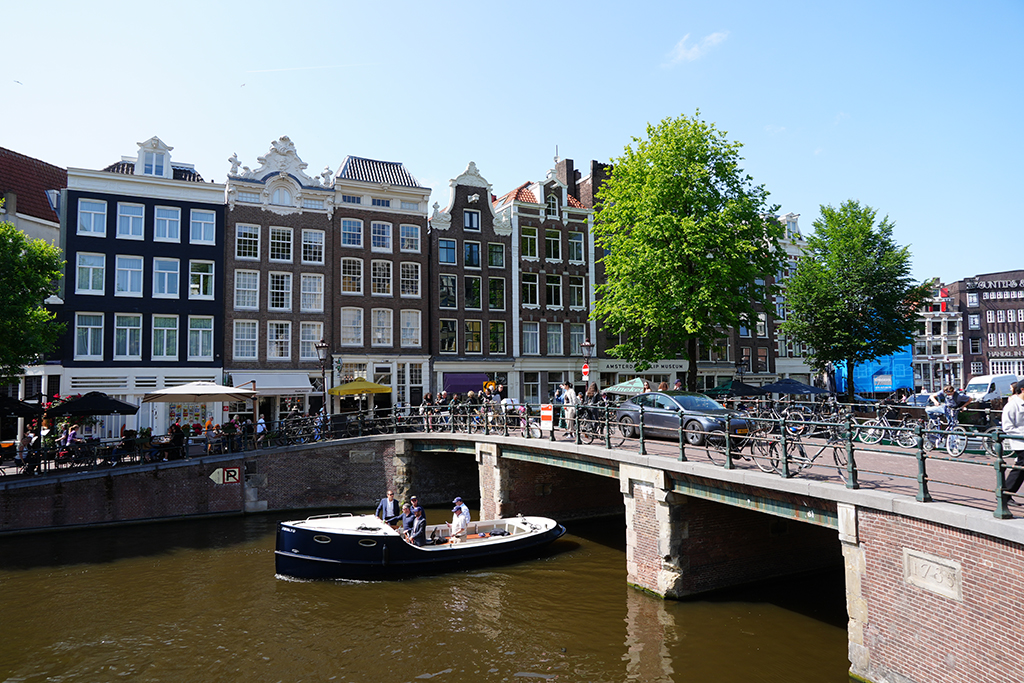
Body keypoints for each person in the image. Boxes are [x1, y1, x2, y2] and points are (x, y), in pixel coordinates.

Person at [1000, 381, 1024, 507]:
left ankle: (1006, 494)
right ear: (1022, 389)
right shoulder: (1012, 406)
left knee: (1021, 468)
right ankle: (1006, 494)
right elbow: (1007, 427)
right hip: (1020, 442)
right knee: (1021, 466)